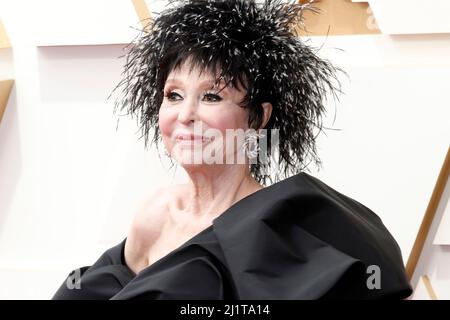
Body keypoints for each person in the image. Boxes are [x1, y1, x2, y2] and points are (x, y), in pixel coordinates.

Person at [52, 0, 412, 299]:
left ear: (259, 117)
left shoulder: (286, 228)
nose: (186, 115)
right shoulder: (154, 213)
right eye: (173, 95)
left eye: (212, 96)